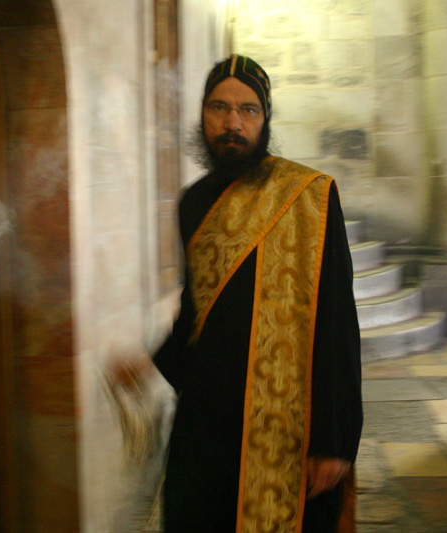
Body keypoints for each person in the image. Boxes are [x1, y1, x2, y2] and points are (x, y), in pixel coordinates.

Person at [118, 54, 362, 532]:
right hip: (206, 422)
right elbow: (196, 313)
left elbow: (337, 323)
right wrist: (148, 364)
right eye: (219, 108)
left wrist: (334, 440)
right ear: (202, 115)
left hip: (288, 430)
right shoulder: (193, 204)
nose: (233, 123)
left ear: (265, 118)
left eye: (248, 110)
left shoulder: (309, 195)